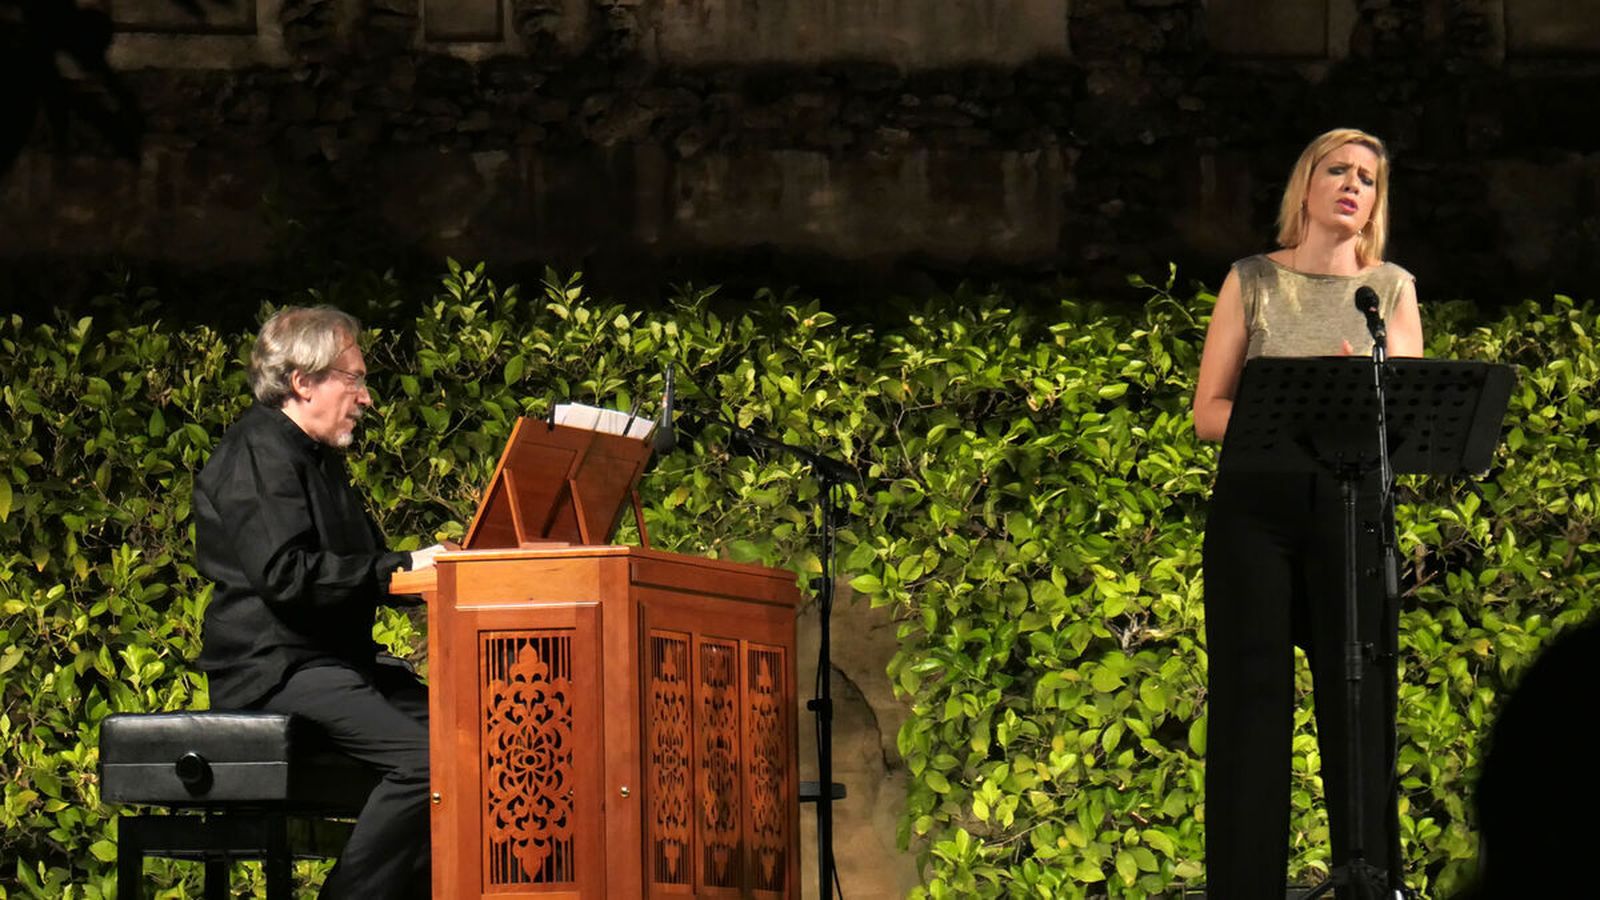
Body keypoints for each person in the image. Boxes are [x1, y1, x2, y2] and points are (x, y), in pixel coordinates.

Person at [1192, 127, 1425, 898]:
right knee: (1250, 702)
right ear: (1308, 184)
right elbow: (1208, 412)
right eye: (1338, 170)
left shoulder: (1388, 288)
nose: (1353, 185)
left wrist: (1362, 392)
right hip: (1255, 507)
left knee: (1358, 698)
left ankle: (1369, 882)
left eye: (1367, 177)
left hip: (1351, 505)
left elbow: (1411, 416)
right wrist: (1289, 414)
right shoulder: (1253, 279)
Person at [193, 305, 451, 899]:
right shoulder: (259, 450)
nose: (366, 397)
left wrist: (446, 573)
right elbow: (286, 575)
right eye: (354, 379)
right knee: (430, 761)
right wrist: (400, 569)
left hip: (336, 665)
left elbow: (367, 570)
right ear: (303, 382)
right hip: (278, 667)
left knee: (485, 742)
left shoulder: (319, 460)